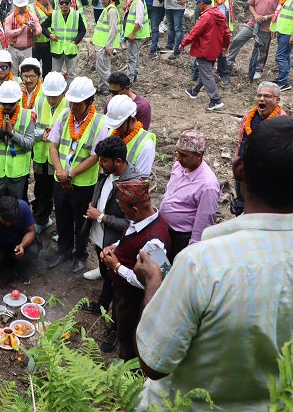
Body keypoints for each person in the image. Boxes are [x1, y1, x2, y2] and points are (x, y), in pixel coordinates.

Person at [135, 116, 293, 411]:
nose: (178, 159)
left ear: (239, 169)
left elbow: (153, 363)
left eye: (184, 155)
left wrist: (154, 282)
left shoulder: (202, 266)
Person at [78, 136, 143, 351]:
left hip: (117, 244)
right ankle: (101, 305)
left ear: (118, 161)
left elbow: (132, 223)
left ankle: (116, 329)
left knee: (118, 286)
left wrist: (101, 217)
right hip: (101, 238)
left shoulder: (132, 184)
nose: (100, 164)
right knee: (107, 275)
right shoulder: (106, 173)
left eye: (104, 160)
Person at [100, 180, 170, 361]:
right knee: (120, 320)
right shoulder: (140, 220)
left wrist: (117, 266)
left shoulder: (154, 242)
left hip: (133, 299)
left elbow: (152, 280)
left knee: (129, 336)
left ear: (136, 210)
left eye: (124, 210)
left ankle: (127, 365)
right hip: (122, 292)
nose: (122, 213)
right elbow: (130, 236)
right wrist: (115, 246)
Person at [48, 77, 107, 274]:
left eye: (77, 103)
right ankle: (64, 251)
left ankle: (80, 255)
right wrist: (60, 172)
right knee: (62, 217)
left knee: (81, 222)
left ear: (89, 102)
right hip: (60, 180)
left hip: (83, 185)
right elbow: (53, 146)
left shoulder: (99, 123)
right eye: (71, 102)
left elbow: (95, 156)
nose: (72, 106)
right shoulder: (64, 115)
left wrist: (70, 174)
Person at [157, 129, 220, 262]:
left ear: (199, 155)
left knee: (174, 270)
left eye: (184, 155)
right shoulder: (179, 166)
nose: (178, 158)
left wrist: (191, 253)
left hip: (181, 239)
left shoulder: (207, 185)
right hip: (164, 230)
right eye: (177, 153)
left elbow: (203, 223)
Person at [230, 82, 284, 216]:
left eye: (267, 96)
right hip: (244, 166)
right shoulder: (249, 115)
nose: (261, 99)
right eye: (259, 95)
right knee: (241, 198)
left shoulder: (283, 123)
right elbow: (242, 140)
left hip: (266, 174)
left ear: (277, 100)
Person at [0, 80, 35, 206]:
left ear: (18, 101)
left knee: (15, 207)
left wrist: (12, 134)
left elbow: (30, 144)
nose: (7, 107)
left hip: (17, 173)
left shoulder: (27, 116)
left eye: (11, 104)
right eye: (4, 103)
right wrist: (0, 133)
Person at [225, 0, 283, 81]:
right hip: (252, 23)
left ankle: (257, 70)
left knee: (262, 49)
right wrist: (256, 15)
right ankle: (228, 62)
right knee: (237, 40)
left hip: (266, 27)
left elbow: (279, 11)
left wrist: (265, 17)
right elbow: (250, 4)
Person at [31, 71, 67, 234]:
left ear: (63, 92)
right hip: (41, 156)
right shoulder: (39, 102)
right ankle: (42, 219)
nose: (51, 100)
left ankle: (62, 228)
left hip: (59, 159)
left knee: (60, 194)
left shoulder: (69, 106)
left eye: (55, 97)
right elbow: (30, 127)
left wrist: (55, 135)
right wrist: (42, 134)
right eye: (49, 96)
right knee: (41, 190)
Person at [183, 0, 231, 111]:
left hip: (203, 49)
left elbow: (195, 32)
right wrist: (225, 46)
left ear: (202, 3)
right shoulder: (219, 14)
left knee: (207, 74)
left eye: (198, 4)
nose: (198, 7)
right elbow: (226, 32)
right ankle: (194, 91)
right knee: (205, 71)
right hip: (215, 49)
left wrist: (183, 43)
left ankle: (215, 100)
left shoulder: (206, 16)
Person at [105, 95, 156, 178]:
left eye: (119, 125)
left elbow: (140, 180)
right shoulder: (112, 132)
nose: (116, 128)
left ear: (132, 120)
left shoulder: (146, 145)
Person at [42, 0, 86, 81]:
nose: (64, 5)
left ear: (70, 3)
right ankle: (57, 89)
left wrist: (75, 41)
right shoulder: (54, 15)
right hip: (57, 49)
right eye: (62, 3)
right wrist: (50, 35)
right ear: (58, 4)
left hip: (70, 48)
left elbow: (82, 30)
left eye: (66, 2)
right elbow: (43, 26)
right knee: (55, 74)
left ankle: (70, 89)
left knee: (71, 74)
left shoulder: (76, 15)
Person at [91, 0, 121, 94]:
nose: (102, 1)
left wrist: (109, 46)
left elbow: (113, 29)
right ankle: (103, 88)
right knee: (105, 67)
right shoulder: (108, 9)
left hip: (104, 45)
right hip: (102, 43)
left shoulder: (111, 11)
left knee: (101, 69)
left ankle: (112, 87)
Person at [122, 0, 150, 84]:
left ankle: (129, 79)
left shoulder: (138, 1)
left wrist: (133, 33)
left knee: (132, 57)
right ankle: (134, 75)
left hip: (135, 34)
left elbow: (139, 20)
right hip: (134, 33)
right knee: (135, 55)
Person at [5, 0, 41, 72]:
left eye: (24, 6)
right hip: (13, 49)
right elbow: (7, 33)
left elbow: (39, 31)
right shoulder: (10, 18)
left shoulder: (32, 16)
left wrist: (34, 29)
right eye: (21, 7)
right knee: (13, 73)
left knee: (26, 72)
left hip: (27, 49)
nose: (23, 8)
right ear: (15, 6)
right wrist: (20, 30)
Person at [271, 0, 293, 91]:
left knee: (280, 56)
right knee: (285, 56)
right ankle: (282, 78)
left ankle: (284, 82)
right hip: (282, 30)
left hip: (288, 32)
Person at [31, 0, 54, 76]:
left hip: (48, 44)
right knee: (34, 69)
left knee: (48, 69)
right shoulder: (32, 8)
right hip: (36, 45)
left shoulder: (50, 7)